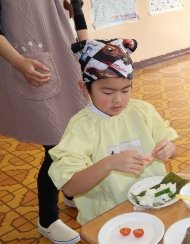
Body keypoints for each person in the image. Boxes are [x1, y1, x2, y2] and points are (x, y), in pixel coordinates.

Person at [48, 38, 178, 226]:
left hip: (154, 201)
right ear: (85, 88)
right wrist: (109, 164)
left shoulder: (142, 111)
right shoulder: (81, 127)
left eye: (126, 90)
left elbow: (174, 149)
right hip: (108, 215)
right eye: (107, 92)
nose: (118, 100)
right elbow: (69, 187)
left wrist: (170, 148)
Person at [0, 0, 88, 244]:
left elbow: (74, 6)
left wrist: (85, 49)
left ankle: (69, 191)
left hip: (62, 55)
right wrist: (19, 62)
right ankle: (48, 219)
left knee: (73, 132)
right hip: (30, 64)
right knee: (56, 146)